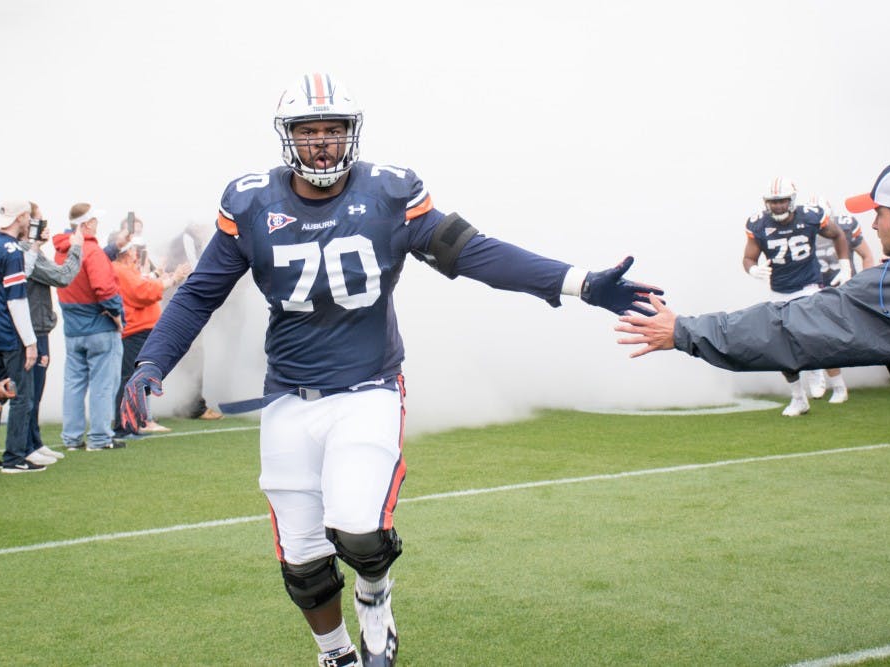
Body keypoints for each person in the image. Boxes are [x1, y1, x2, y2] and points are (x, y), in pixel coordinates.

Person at [119, 71, 659, 667]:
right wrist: (152, 360)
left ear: (352, 134)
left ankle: (375, 595)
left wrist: (578, 282)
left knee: (358, 529)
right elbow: (198, 294)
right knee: (300, 558)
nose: (321, 142)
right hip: (288, 397)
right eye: (308, 131)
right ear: (287, 138)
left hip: (367, 386)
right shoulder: (250, 202)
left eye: (333, 129)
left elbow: (476, 254)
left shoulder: (391, 193)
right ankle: (336, 654)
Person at [615, 158, 890, 522]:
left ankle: (831, 387)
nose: (873, 225)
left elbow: (791, 328)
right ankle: (807, 394)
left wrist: (684, 331)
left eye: (879, 213)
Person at [743, 177, 851, 416]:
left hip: (809, 286)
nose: (778, 206)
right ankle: (798, 398)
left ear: (791, 200)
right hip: (779, 291)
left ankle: (834, 383)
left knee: (815, 337)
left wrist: (845, 266)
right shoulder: (758, 224)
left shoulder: (810, 216)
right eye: (773, 201)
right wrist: (753, 269)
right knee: (781, 347)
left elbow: (839, 235)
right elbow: (748, 257)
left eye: (782, 200)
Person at [55, 203, 126, 452]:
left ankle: (72, 438)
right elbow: (104, 289)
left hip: (73, 328)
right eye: (94, 220)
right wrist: (117, 315)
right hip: (99, 326)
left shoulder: (61, 250)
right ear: (86, 224)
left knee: (73, 383)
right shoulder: (91, 251)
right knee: (102, 385)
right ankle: (99, 438)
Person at [22, 202, 84, 461]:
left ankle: (33, 441)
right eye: (39, 221)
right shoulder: (27, 252)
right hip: (33, 328)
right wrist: (77, 247)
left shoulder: (32, 252)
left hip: (38, 326)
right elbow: (63, 276)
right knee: (29, 391)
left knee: (36, 390)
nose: (44, 227)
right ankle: (25, 447)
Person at [112, 238, 186, 436]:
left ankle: (135, 423)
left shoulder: (127, 270)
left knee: (136, 378)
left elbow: (144, 284)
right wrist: (172, 280)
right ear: (127, 253)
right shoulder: (121, 270)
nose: (137, 253)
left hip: (140, 330)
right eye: (134, 250)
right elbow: (142, 291)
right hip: (135, 331)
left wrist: (161, 275)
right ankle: (125, 425)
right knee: (130, 379)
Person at [808, 196, 879, 404]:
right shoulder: (803, 229)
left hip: (850, 291)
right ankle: (838, 386)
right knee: (823, 339)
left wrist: (866, 285)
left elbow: (866, 255)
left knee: (868, 336)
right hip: (819, 292)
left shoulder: (846, 226)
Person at [0, 201, 40, 472]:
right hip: (8, 331)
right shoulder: (11, 250)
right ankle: (14, 457)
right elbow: (16, 300)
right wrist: (30, 341)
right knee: (20, 394)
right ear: (20, 217)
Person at [162, 222, 222, 421]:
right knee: (194, 354)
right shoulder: (187, 241)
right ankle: (194, 406)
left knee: (185, 356)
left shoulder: (180, 243)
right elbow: (198, 271)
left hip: (178, 305)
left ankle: (183, 402)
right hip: (186, 307)